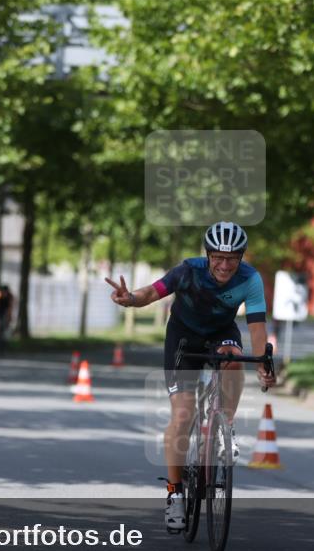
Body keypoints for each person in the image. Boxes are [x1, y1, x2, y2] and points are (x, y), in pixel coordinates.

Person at [105, 221, 276, 532]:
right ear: (207, 255)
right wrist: (130, 299)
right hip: (183, 337)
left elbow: (256, 327)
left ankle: (225, 427)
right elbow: (153, 293)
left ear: (241, 258)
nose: (225, 265)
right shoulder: (187, 271)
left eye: (232, 258)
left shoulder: (250, 279)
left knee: (233, 358)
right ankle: (174, 495)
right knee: (183, 415)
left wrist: (264, 363)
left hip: (221, 333)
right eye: (218, 257)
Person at [0, 284, 14, 354]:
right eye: (3, 292)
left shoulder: (10, 296)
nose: (5, 294)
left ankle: (4, 346)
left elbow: (10, 307)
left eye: (6, 292)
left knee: (5, 331)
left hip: (5, 314)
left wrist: (9, 317)